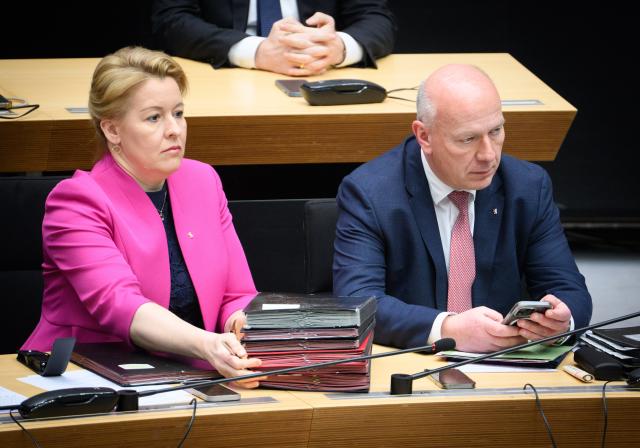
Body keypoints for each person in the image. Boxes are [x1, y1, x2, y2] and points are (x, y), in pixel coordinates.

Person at [22, 46, 263, 387]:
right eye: (154, 117)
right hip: (85, 377)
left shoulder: (202, 181)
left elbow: (237, 294)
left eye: (178, 113)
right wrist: (208, 344)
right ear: (112, 130)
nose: (174, 130)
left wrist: (239, 324)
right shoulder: (76, 201)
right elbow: (123, 306)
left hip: (192, 371)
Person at [333, 64, 592, 352]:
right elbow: (358, 302)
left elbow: (569, 290)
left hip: (510, 366)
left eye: (496, 131)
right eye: (467, 139)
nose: (488, 155)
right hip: (413, 364)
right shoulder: (370, 193)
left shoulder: (528, 187)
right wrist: (447, 328)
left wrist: (561, 321)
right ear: (424, 136)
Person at [151, 0, 395, 76]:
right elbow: (171, 20)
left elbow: (376, 18)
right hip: (228, 75)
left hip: (320, 73)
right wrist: (255, 52)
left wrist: (337, 47)